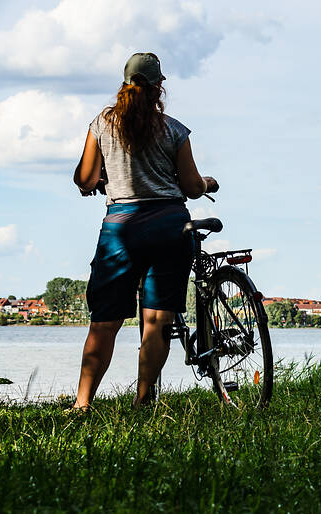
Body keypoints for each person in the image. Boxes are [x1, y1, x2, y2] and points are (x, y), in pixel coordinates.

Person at [71, 52, 218, 410]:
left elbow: (85, 178)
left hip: (121, 228)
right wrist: (207, 183)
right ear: (159, 88)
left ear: (125, 84)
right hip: (169, 225)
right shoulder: (174, 130)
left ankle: (82, 403)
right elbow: (191, 185)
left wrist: (103, 178)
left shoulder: (102, 124)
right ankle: (142, 401)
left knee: (104, 321)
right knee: (156, 319)